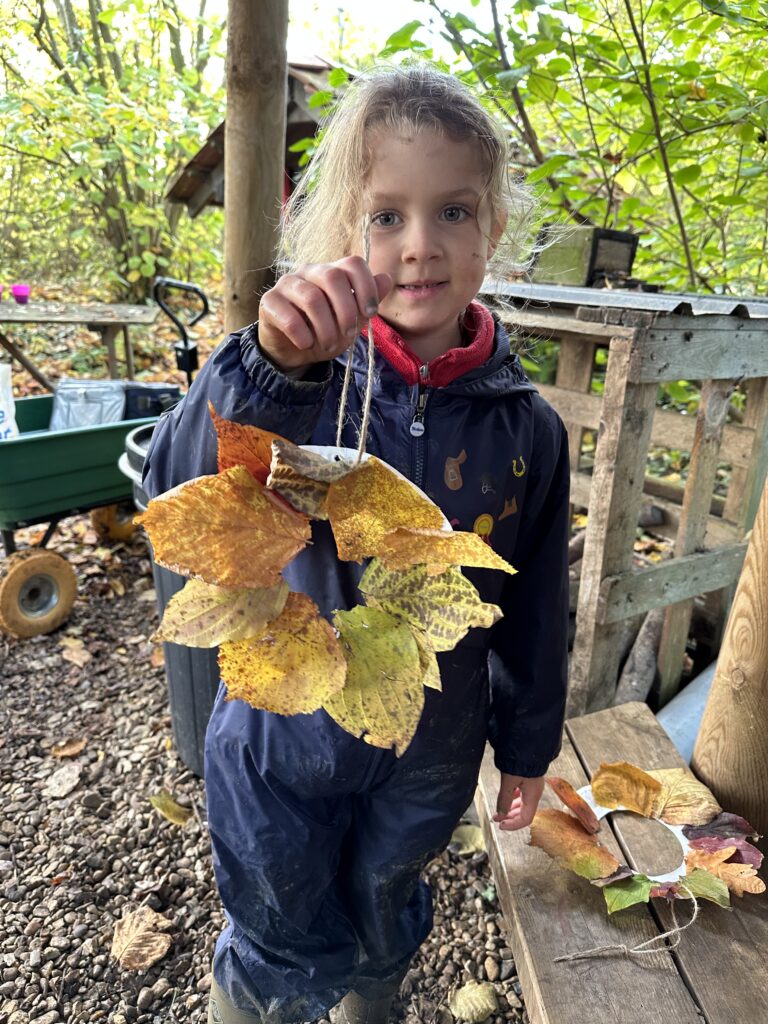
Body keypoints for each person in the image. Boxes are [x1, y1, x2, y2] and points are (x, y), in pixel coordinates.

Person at [143, 63, 569, 1024]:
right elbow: (171, 494)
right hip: (278, 734)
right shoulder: (292, 381)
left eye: (454, 212)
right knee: (275, 920)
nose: (420, 247)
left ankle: (371, 996)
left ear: (494, 227)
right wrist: (269, 368)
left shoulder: (528, 430)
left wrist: (530, 743)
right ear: (343, 234)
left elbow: (537, 604)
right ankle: (255, 1000)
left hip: (431, 738)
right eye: (386, 218)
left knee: (386, 906)